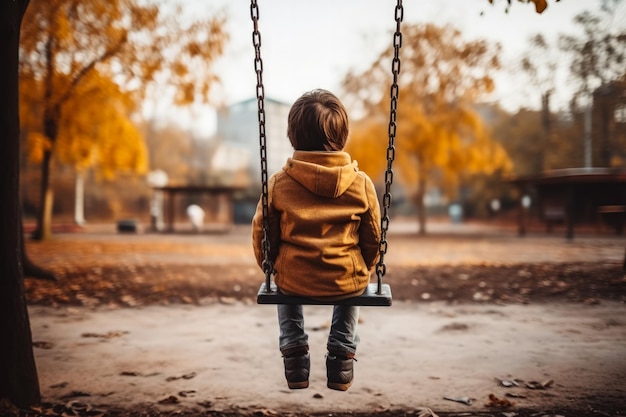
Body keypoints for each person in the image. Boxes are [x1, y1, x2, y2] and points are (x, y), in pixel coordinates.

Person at [252, 89, 381, 391]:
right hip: (344, 279)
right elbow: (373, 237)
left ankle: (294, 350)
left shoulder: (280, 183)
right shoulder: (361, 183)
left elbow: (262, 233)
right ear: (343, 136)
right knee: (356, 281)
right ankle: (342, 352)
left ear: (292, 135)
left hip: (295, 278)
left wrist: (269, 266)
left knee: (283, 281)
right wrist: (366, 266)